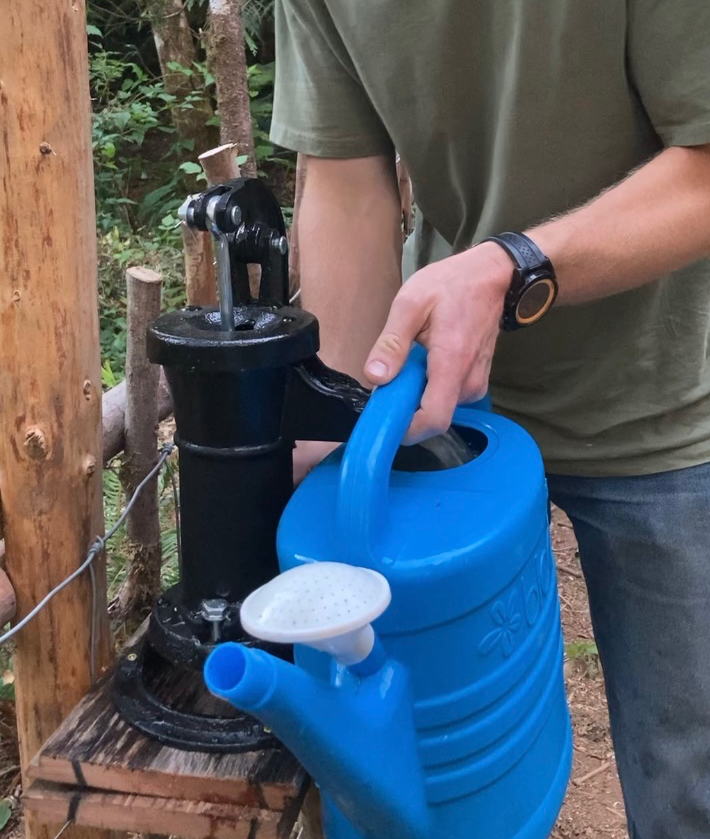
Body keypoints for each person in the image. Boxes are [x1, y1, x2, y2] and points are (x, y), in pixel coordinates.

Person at [270, 2, 710, 836]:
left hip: (673, 403)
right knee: (456, 771)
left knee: (691, 780)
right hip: (449, 400)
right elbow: (344, 180)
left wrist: (519, 265)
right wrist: (340, 419)